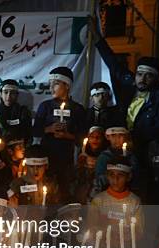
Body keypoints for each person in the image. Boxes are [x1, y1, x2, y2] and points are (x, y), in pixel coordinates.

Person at [92, 22, 159, 162]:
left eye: (148, 76)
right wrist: (98, 40)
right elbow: (114, 65)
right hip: (118, 145)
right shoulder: (131, 84)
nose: (142, 79)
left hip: (142, 150)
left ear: (155, 78)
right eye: (140, 74)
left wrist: (133, 139)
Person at [32, 66, 87, 204]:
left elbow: (83, 136)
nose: (51, 88)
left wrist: (67, 135)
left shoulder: (77, 109)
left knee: (65, 192)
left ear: (67, 85)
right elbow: (35, 131)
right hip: (47, 159)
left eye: (55, 84)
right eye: (50, 85)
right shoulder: (45, 106)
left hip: (67, 159)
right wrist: (49, 129)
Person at [89, 156, 144, 248]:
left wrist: (124, 236)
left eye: (120, 175)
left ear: (129, 177)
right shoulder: (98, 200)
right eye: (112, 175)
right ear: (107, 176)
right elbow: (91, 227)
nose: (115, 180)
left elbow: (139, 231)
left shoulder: (135, 201)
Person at [94, 126, 139, 195]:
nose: (117, 138)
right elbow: (100, 180)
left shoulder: (131, 157)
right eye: (113, 135)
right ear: (108, 137)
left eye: (121, 135)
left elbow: (136, 179)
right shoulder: (103, 157)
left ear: (125, 137)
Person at [75, 126, 107, 203]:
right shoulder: (82, 152)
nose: (95, 139)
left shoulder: (105, 155)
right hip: (84, 186)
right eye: (92, 137)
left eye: (98, 137)